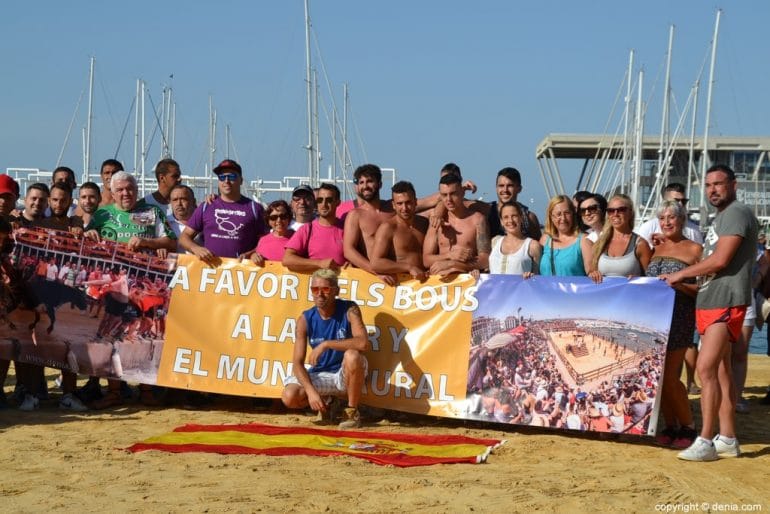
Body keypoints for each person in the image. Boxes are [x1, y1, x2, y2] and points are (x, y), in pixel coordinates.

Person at [661, 164, 759, 461]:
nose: (712, 189)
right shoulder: (721, 218)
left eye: (718, 183)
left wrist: (682, 275)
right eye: (707, 185)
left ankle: (705, 439)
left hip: (725, 300)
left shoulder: (737, 213)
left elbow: (721, 259)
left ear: (733, 184)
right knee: (721, 371)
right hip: (711, 300)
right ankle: (727, 436)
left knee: (704, 368)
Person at [85, 171, 176, 408]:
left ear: (136, 190)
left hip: (145, 289)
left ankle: (146, 390)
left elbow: (171, 241)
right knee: (110, 336)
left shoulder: (151, 212)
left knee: (147, 336)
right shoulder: (103, 214)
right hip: (113, 289)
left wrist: (148, 242)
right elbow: (86, 242)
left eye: (130, 189)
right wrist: (89, 234)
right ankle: (114, 390)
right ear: (112, 192)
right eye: (121, 189)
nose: (126, 193)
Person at [645, 200, 702, 448]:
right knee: (658, 378)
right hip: (654, 319)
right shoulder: (655, 247)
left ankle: (688, 426)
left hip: (679, 317)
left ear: (682, 220)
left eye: (672, 217)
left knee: (670, 377)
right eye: (663, 217)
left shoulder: (695, 250)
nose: (667, 222)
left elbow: (703, 289)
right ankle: (671, 425)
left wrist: (679, 284)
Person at [281, 268, 369, 429]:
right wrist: (311, 392)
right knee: (289, 396)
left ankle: (351, 411)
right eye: (315, 289)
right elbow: (297, 363)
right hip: (322, 374)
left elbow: (363, 343)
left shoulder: (350, 309)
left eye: (325, 289)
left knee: (352, 355)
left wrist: (326, 344)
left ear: (336, 291)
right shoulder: (305, 318)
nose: (319, 294)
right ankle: (328, 404)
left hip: (345, 374)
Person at [180, 159, 266, 262]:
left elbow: (266, 241)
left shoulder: (254, 208)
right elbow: (184, 237)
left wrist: (252, 254)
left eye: (231, 176)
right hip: (210, 270)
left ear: (241, 180)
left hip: (242, 271)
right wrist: (196, 249)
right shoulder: (206, 206)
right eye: (222, 177)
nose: (226, 181)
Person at [423, 174, 491, 277]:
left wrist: (454, 264)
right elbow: (426, 260)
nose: (448, 199)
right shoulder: (437, 221)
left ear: (462, 193)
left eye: (453, 194)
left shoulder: (477, 219)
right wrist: (449, 255)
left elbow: (485, 259)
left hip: (466, 282)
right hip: (440, 283)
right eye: (444, 195)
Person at [343, 164, 397, 284]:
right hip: (372, 279)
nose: (365, 186)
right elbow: (348, 250)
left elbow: (432, 201)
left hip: (401, 277)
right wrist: (377, 272)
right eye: (361, 182)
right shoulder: (355, 215)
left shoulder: (395, 207)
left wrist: (438, 213)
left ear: (380, 184)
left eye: (369, 181)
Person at [370, 181, 429, 280]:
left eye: (408, 202)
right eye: (400, 203)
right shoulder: (388, 228)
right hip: (401, 287)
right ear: (393, 205)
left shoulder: (424, 223)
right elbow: (375, 263)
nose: (404, 208)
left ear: (416, 202)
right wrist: (409, 267)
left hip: (426, 285)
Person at [283, 183, 346, 272]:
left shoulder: (347, 229)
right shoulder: (307, 229)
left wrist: (353, 264)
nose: (324, 204)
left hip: (342, 285)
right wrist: (319, 264)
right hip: (315, 284)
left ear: (338, 202)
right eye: (320, 200)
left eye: (329, 200)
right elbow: (287, 259)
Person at [588, 194, 651, 282]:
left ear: (630, 213)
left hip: (631, 294)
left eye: (621, 210)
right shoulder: (600, 243)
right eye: (611, 210)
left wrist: (639, 279)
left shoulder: (640, 244)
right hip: (604, 295)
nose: (615, 214)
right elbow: (591, 271)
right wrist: (593, 273)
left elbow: (651, 278)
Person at [539, 195, 593, 276]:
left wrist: (593, 274)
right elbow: (535, 271)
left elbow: (591, 272)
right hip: (546, 288)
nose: (563, 218)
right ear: (552, 217)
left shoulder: (584, 240)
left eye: (567, 213)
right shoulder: (545, 239)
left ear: (573, 214)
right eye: (558, 214)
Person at [637, 183, 704, 247]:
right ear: (665, 202)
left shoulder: (694, 230)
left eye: (683, 201)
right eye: (676, 201)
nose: (680, 204)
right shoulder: (648, 228)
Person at [485, 167, 542, 241]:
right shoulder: (486, 212)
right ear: (496, 188)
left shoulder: (529, 218)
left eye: (510, 186)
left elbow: (538, 248)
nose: (505, 190)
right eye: (501, 186)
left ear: (519, 188)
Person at [488, 201, 542, 276]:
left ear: (521, 218)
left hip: (521, 287)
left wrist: (531, 276)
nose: (510, 220)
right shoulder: (495, 242)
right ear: (501, 221)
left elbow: (538, 276)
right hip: (495, 287)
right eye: (506, 217)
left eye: (514, 216)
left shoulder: (532, 246)